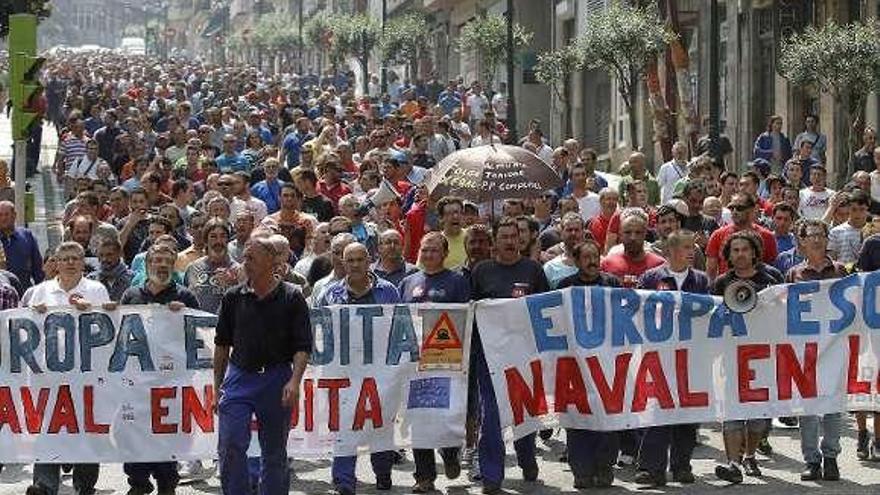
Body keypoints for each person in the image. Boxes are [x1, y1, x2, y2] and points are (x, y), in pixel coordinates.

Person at [214, 236, 312, 495]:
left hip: (277, 378)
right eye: (245, 257)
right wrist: (217, 387)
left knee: (274, 450)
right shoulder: (232, 297)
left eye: (252, 258)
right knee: (231, 443)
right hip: (239, 378)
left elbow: (303, 346)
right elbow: (222, 345)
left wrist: (294, 382)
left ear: (272, 261)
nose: (245, 263)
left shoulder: (292, 297)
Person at [23, 242, 111, 495]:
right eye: (65, 259)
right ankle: (45, 485)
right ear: (56, 263)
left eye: (75, 258)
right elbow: (22, 329)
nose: (70, 263)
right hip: (47, 378)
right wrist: (33, 315)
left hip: (86, 377)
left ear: (83, 263)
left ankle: (84, 485)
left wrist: (92, 311)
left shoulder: (96, 290)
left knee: (85, 430)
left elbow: (109, 328)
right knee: (47, 429)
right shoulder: (38, 292)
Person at [470, 217, 548, 493]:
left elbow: (544, 311)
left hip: (524, 355)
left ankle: (527, 459)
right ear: (495, 241)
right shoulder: (481, 271)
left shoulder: (534, 270)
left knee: (524, 412)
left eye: (513, 236)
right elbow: (471, 313)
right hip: (489, 357)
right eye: (503, 236)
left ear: (520, 239)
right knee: (490, 416)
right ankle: (492, 477)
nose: (509, 241)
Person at [317, 242, 399, 495]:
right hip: (342, 371)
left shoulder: (389, 291)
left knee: (379, 422)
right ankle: (343, 481)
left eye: (359, 260)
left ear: (369, 261)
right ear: (342, 262)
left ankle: (383, 471)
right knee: (343, 426)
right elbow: (319, 329)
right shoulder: (329, 294)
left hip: (379, 371)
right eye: (349, 260)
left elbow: (400, 327)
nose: (354, 265)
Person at [120, 242, 200, 495]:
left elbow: (201, 334)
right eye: (157, 260)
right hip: (138, 383)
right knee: (136, 433)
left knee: (168, 434)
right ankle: (138, 483)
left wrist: (185, 314)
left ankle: (167, 482)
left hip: (172, 382)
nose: (162, 265)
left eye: (168, 261)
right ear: (147, 264)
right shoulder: (131, 295)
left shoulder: (186, 296)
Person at [635, 230, 709, 487]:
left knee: (687, 414)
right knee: (656, 413)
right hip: (659, 357)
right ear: (670, 251)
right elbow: (636, 311)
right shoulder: (651, 278)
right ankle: (650, 469)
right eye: (687, 247)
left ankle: (681, 466)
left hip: (691, 358)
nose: (692, 251)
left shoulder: (700, 280)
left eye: (694, 247)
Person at [398, 232, 470, 493]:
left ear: (444, 254)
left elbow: (466, 319)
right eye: (424, 250)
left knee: (444, 413)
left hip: (447, 360)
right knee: (418, 417)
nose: (428, 254)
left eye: (433, 250)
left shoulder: (457, 282)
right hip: (414, 363)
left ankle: (450, 453)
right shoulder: (408, 283)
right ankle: (424, 476)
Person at [711, 230, 783, 483]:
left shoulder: (771, 278)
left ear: (754, 252)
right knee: (731, 411)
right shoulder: (721, 283)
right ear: (729, 255)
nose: (740, 254)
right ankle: (733, 463)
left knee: (757, 416)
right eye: (735, 250)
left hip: (762, 356)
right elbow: (712, 317)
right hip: (731, 355)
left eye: (745, 249)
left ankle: (750, 454)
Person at [556, 239, 620, 489]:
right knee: (577, 418)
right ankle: (581, 470)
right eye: (586, 257)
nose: (592, 261)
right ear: (576, 260)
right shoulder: (565, 287)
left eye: (596, 256)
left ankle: (604, 468)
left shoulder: (611, 284)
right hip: (574, 366)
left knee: (607, 419)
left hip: (607, 365)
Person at [785, 219, 846, 482]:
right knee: (807, 406)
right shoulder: (793, 274)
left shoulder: (842, 271)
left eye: (822, 234)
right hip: (804, 349)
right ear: (802, 243)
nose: (817, 239)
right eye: (811, 235)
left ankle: (831, 457)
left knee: (834, 404)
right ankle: (812, 460)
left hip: (836, 347)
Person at [705, 193, 778, 280]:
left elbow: (771, 268)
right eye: (731, 208)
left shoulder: (767, 236)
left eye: (740, 208)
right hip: (726, 288)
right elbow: (711, 269)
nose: (734, 211)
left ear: (752, 210)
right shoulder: (718, 235)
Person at [0, 200, 45, 289]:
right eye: (0, 215)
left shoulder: (27, 236)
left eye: (6, 214)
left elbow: (37, 268)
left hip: (24, 293)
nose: (3, 218)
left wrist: (41, 289)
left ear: (14, 215)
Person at [543, 212, 586, 288]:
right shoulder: (550, 268)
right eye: (569, 230)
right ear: (561, 233)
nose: (573, 233)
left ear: (583, 233)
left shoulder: (594, 263)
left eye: (577, 230)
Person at [828, 189, 869, 265]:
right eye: (854, 209)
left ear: (867, 210)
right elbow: (831, 258)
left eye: (862, 209)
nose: (858, 213)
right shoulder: (836, 231)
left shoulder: (874, 231)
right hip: (844, 275)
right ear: (849, 209)